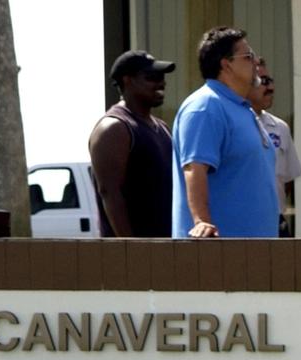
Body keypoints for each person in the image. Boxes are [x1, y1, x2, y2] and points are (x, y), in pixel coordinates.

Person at [171, 26, 279, 238]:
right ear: (226, 64)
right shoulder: (205, 107)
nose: (256, 63)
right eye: (248, 56)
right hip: (217, 257)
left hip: (254, 254)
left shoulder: (241, 108)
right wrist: (202, 222)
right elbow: (194, 169)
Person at [88, 50, 175, 237]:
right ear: (128, 80)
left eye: (162, 77)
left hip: (165, 249)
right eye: (152, 77)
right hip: (131, 256)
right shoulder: (114, 128)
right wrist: (131, 248)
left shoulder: (163, 128)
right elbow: (109, 192)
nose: (161, 82)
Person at [246, 59, 301, 237]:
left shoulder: (280, 128)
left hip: (276, 221)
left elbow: (286, 181)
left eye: (271, 81)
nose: (270, 87)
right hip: (245, 222)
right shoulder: (233, 123)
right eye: (264, 81)